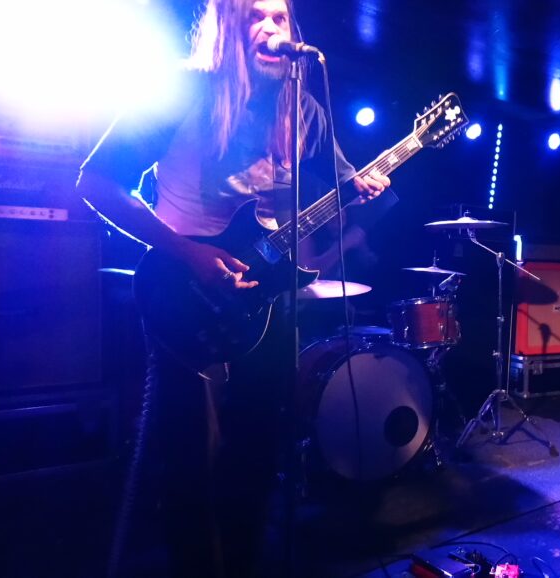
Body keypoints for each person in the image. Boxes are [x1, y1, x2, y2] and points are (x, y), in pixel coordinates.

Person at [76, 0, 389, 575]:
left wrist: (365, 184)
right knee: (190, 452)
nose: (272, 29)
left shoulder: (304, 106)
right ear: (227, 30)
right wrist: (187, 252)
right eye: (255, 18)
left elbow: (344, 181)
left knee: (258, 445)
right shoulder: (181, 89)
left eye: (280, 18)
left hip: (265, 296)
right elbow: (96, 181)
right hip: (182, 288)